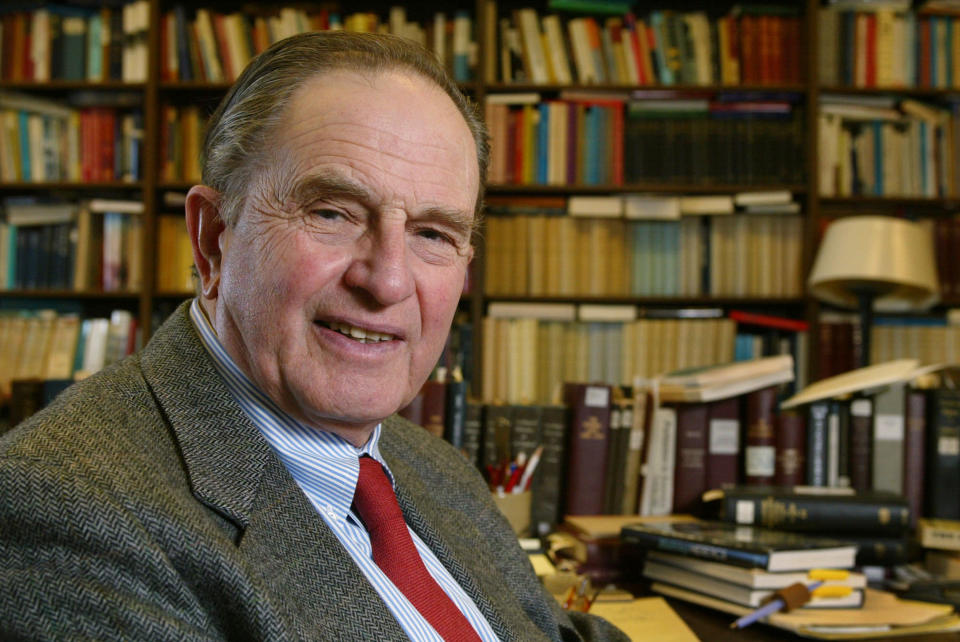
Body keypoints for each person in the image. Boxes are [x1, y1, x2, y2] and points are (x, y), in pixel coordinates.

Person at [0, 32, 629, 641]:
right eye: (332, 213)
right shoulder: (64, 508)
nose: (386, 281)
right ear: (214, 238)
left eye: (433, 234)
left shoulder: (424, 462)